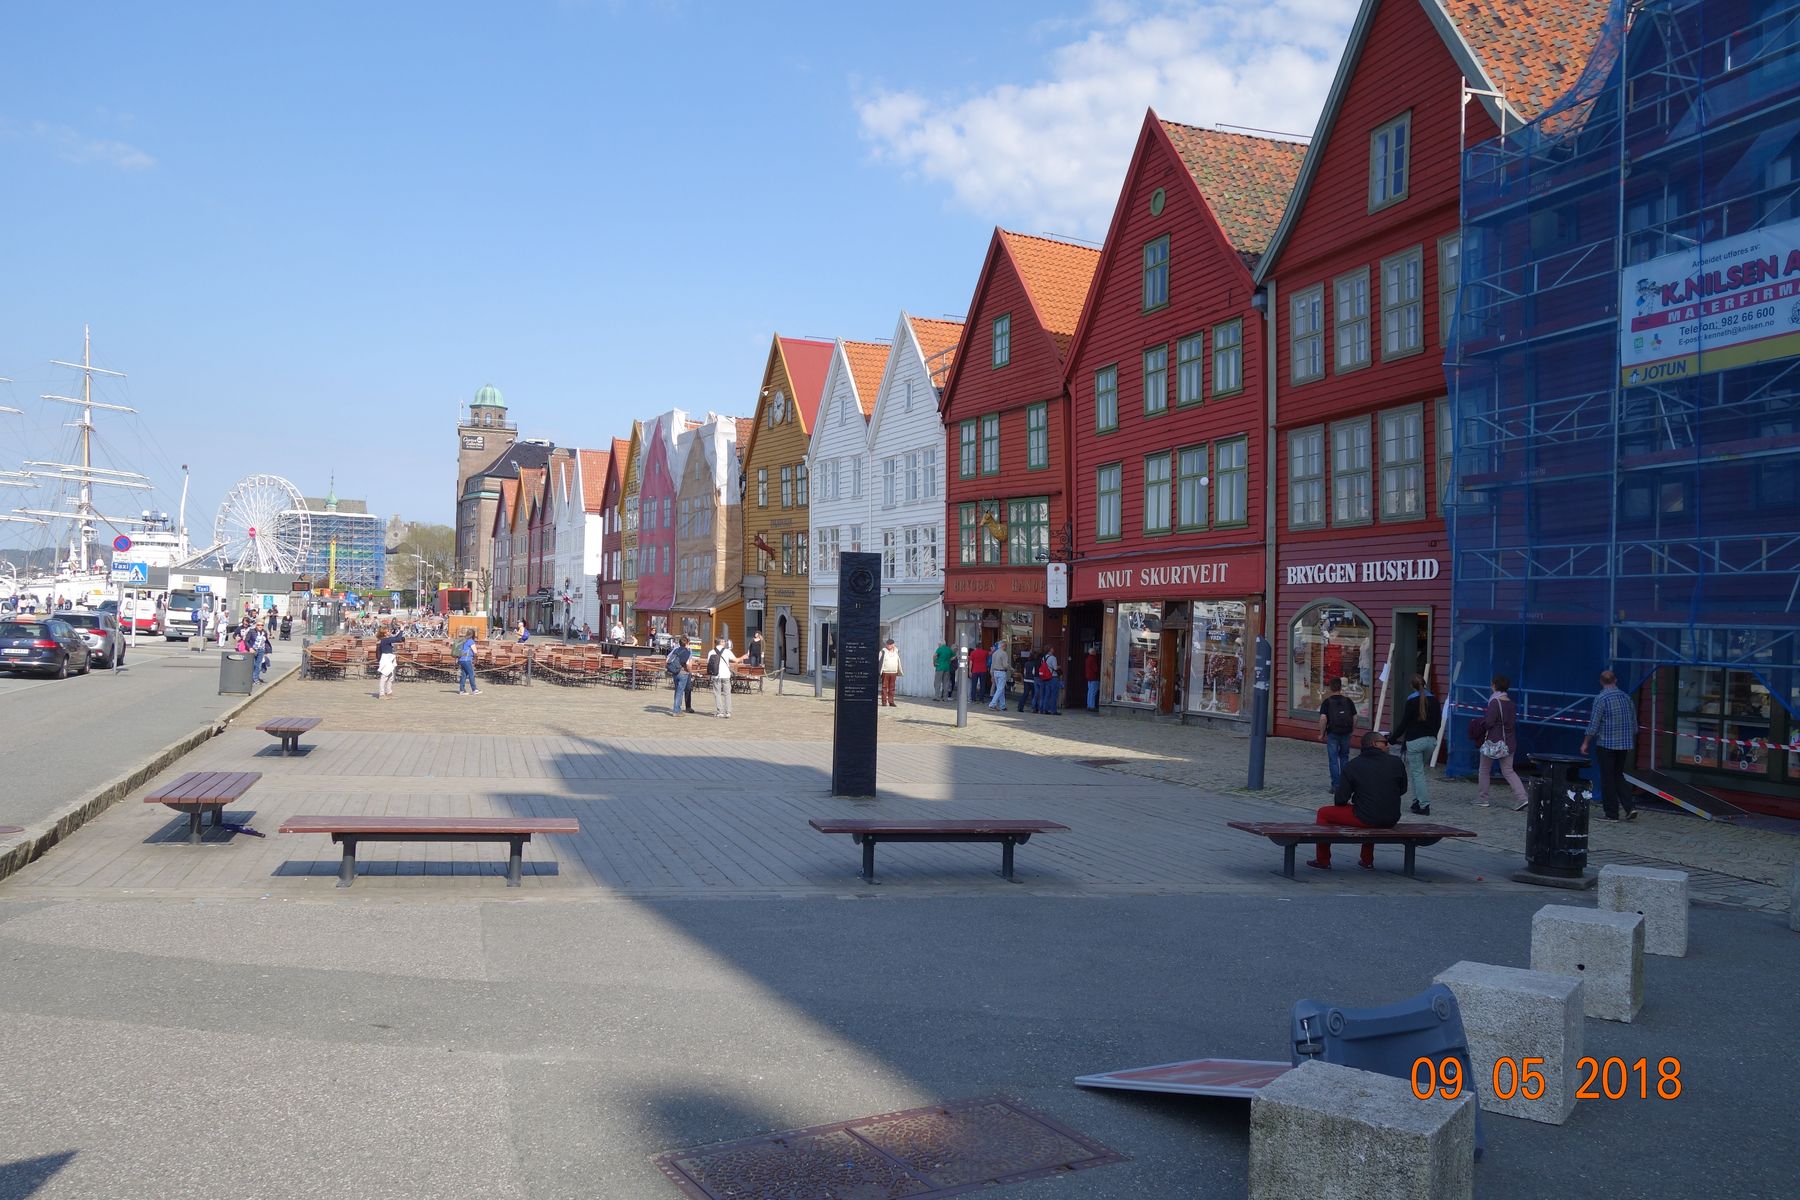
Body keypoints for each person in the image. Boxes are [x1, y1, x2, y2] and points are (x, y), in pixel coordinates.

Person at [1309, 731, 1407, 870]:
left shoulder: (1353, 765)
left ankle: (1323, 860)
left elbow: (1341, 799)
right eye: (1385, 742)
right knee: (1369, 808)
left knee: (1323, 813)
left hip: (1366, 817)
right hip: (1392, 817)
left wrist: (1354, 802)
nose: (1388, 745)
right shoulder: (1396, 762)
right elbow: (1403, 789)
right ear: (1374, 744)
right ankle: (1367, 860)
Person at [1580, 670, 1638, 820]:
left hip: (1606, 744)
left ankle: (1611, 813)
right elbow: (1634, 723)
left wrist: (1585, 743)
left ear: (1601, 682)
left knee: (1607, 778)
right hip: (1624, 745)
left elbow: (1594, 724)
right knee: (1618, 775)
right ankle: (1630, 807)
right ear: (1615, 680)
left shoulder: (1601, 699)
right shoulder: (1626, 697)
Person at [1389, 674, 1442, 815]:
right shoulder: (1435, 700)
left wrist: (1392, 739)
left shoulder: (1411, 701)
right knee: (1418, 771)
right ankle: (1416, 800)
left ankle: (1424, 804)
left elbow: (1404, 723)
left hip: (1415, 740)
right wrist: (1433, 736)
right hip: (1431, 741)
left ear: (1412, 686)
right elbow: (1438, 722)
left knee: (1417, 773)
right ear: (1425, 684)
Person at [1475, 674, 1529, 808]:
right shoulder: (1511, 704)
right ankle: (1522, 797)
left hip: (1493, 742)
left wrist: (1480, 724)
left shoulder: (1494, 702)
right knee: (1508, 771)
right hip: (1509, 742)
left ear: (1494, 685)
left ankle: (1483, 798)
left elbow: (1489, 722)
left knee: (1484, 769)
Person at [1318, 678, 1357, 792]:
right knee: (1344, 757)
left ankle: (1336, 785)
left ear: (1330, 688)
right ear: (1341, 687)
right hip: (1346, 732)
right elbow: (1355, 718)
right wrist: (1352, 730)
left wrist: (1321, 734)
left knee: (1333, 759)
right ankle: (1345, 784)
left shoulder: (1327, 702)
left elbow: (1323, 719)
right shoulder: (1348, 701)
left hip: (1333, 733)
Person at [708, 637, 737, 718]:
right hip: (726, 675)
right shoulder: (727, 651)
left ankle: (720, 712)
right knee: (727, 694)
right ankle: (728, 712)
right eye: (724, 641)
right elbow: (736, 660)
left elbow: (709, 663)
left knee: (717, 694)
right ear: (720, 642)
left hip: (716, 675)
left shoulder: (711, 652)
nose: (725, 643)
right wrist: (744, 657)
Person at [375, 623, 405, 699]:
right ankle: (381, 694)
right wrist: (401, 629)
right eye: (388, 631)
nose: (389, 632)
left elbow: (397, 638)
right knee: (384, 676)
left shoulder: (384, 640)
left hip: (389, 657)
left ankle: (389, 692)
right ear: (384, 633)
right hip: (386, 658)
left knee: (390, 677)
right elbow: (397, 638)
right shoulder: (385, 640)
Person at [666, 636, 693, 716]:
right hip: (683, 673)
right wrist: (690, 672)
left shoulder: (676, 650)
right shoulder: (688, 651)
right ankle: (676, 710)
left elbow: (667, 660)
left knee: (677, 691)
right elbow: (688, 665)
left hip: (675, 672)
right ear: (687, 643)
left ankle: (677, 708)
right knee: (680, 692)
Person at [878, 638, 903, 707]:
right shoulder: (883, 651)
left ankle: (891, 702)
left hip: (894, 672)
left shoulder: (896, 651)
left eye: (890, 644)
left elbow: (898, 660)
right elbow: (879, 661)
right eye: (888, 644)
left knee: (892, 688)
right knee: (884, 687)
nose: (889, 645)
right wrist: (880, 671)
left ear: (893, 645)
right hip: (885, 672)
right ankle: (884, 702)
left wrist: (898, 670)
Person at [987, 642, 1010, 711]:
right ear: (1004, 646)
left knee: (1000, 689)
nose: (1006, 648)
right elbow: (1005, 665)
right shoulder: (1004, 653)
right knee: (1000, 689)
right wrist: (1011, 669)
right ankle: (992, 704)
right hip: (1001, 672)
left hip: (995, 672)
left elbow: (992, 664)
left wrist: (992, 674)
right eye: (1006, 646)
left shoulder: (994, 653)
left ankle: (1002, 705)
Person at [1038, 648, 1061, 715]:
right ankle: (1053, 710)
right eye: (1052, 649)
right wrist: (1059, 667)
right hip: (1053, 677)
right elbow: (1055, 668)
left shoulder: (1044, 658)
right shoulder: (1053, 658)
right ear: (1050, 650)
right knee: (1054, 695)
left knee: (1047, 694)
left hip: (1046, 678)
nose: (1053, 650)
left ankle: (1045, 709)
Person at [457, 631, 480, 695]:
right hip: (467, 660)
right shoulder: (470, 641)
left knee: (464, 675)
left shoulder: (463, 640)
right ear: (473, 635)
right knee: (471, 674)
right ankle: (474, 689)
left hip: (461, 659)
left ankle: (462, 690)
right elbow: (475, 651)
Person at [1017, 647, 1037, 712]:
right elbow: (1034, 672)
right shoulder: (1035, 663)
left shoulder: (1026, 663)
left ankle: (1020, 707)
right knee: (1034, 694)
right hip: (1033, 680)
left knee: (1025, 694)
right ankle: (1034, 708)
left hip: (1026, 680)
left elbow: (1025, 672)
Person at [1086, 646, 1102, 711]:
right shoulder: (1093, 659)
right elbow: (1096, 669)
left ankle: (1089, 705)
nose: (1096, 653)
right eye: (1095, 651)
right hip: (1094, 677)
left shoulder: (1087, 658)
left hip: (1089, 678)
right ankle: (1092, 706)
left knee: (1090, 692)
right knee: (1093, 693)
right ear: (1093, 652)